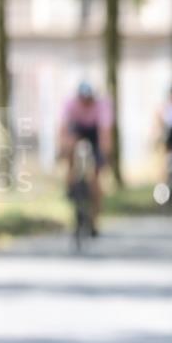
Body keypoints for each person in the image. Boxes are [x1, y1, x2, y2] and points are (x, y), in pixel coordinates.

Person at [60, 81, 113, 235]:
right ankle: (70, 184)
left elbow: (105, 133)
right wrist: (63, 149)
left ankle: (94, 221)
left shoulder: (102, 106)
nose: (85, 103)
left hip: (94, 132)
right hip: (77, 129)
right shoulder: (70, 105)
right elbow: (63, 129)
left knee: (96, 177)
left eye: (88, 100)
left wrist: (105, 155)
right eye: (82, 100)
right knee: (69, 149)